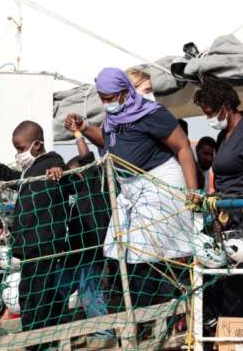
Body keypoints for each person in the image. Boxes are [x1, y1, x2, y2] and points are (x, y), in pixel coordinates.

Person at [64, 67, 198, 310]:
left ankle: (162, 312)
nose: (107, 103)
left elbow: (183, 148)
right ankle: (141, 314)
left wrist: (193, 194)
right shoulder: (113, 118)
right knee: (124, 254)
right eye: (102, 98)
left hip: (158, 184)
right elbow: (108, 142)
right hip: (130, 189)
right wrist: (84, 127)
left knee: (150, 258)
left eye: (110, 98)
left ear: (126, 91)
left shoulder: (152, 113)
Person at [0, 121, 71, 347]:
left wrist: (59, 172)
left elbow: (66, 174)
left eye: (20, 148)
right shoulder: (30, 170)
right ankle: (36, 337)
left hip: (44, 243)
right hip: (29, 244)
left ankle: (39, 341)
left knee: (38, 294)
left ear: (37, 145)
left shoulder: (52, 162)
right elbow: (17, 180)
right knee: (29, 293)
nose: (18, 154)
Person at [193, 75, 243, 327]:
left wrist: (231, 208)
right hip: (222, 219)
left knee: (238, 289)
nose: (210, 119)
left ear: (226, 106)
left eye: (211, 113)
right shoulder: (222, 137)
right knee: (219, 287)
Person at [55, 129, 116, 346]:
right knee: (58, 289)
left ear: (80, 174)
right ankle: (65, 332)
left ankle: (104, 334)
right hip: (72, 252)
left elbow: (86, 157)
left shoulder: (91, 185)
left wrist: (77, 134)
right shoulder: (67, 195)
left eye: (72, 176)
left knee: (89, 291)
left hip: (91, 250)